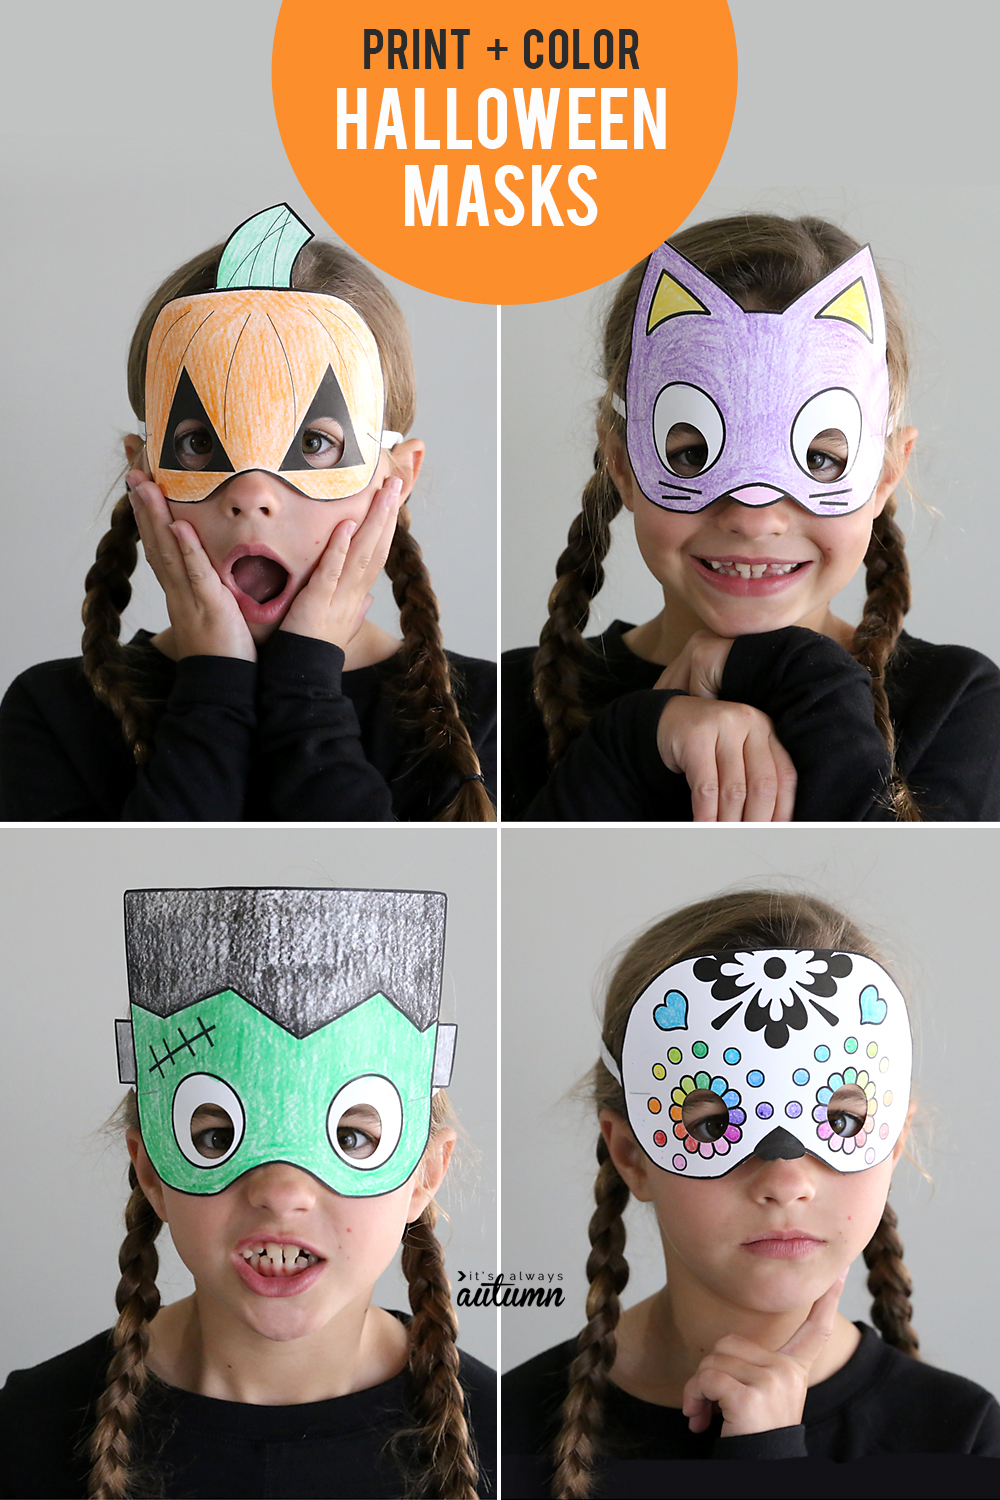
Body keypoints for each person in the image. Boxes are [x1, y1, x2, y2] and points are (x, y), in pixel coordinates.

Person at [0, 205, 495, 821]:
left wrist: (306, 689)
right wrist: (214, 689)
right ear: (143, 474)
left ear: (397, 477)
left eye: (315, 444)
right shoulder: (52, 714)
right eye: (198, 444)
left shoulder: (492, 719)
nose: (252, 494)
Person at [0, 887, 495, 1499]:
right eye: (215, 1138)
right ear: (151, 1170)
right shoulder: (27, 1430)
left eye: (351, 1138)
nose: (282, 1193)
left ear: (426, 1174)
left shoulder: (513, 1437)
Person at [502, 215, 1000, 822]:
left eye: (819, 460)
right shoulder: (504, 704)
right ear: (621, 464)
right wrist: (631, 742)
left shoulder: (960, 705)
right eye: (691, 456)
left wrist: (798, 672)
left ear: (885, 475)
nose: (753, 516)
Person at [502, 890, 1000, 1496]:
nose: (786, 1183)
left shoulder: (961, 1437)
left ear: (892, 1141)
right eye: (714, 1125)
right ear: (631, 1154)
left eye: (840, 1122)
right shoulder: (500, 1429)